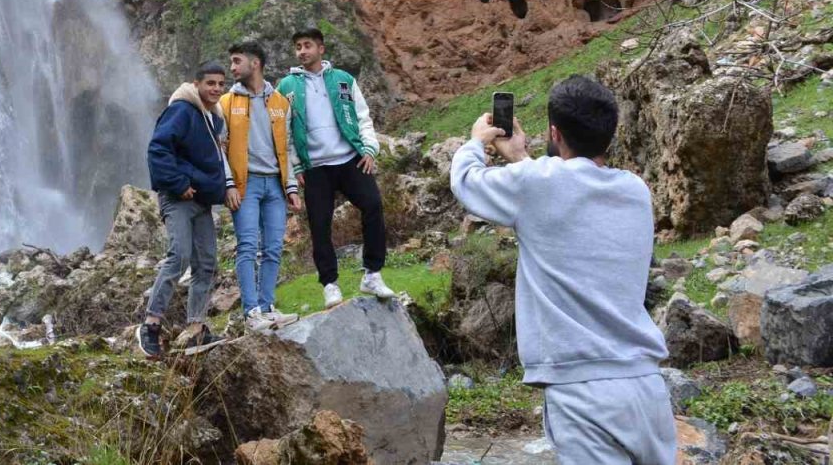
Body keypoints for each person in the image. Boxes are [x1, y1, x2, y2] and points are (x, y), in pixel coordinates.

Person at [450, 75, 675, 465]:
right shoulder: (636, 190)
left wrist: (477, 141)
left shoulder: (536, 184)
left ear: (555, 132)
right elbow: (565, 194)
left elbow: (466, 182)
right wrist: (522, 158)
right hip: (647, 387)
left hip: (583, 391)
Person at [277, 28, 394, 308]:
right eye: (298, 47)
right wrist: (295, 167)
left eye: (307, 45)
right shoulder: (287, 86)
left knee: (373, 205)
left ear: (321, 49)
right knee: (319, 225)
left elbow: (363, 117)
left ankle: (372, 274)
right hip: (315, 167)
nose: (302, 51)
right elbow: (284, 131)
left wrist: (369, 149)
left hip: (349, 159)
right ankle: (329, 284)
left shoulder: (343, 79)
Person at [136, 62, 230, 359]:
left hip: (201, 201)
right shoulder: (182, 110)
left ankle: (196, 328)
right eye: (210, 83)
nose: (215, 89)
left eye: (220, 84)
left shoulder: (212, 119)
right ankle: (150, 324)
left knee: (206, 262)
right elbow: (158, 149)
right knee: (179, 255)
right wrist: (178, 184)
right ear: (196, 84)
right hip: (178, 198)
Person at [221, 41, 302, 332]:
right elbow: (220, 148)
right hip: (246, 184)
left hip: (276, 187)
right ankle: (251, 312)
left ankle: (267, 307)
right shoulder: (226, 103)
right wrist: (228, 184)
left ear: (255, 64)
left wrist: (291, 187)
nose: (232, 67)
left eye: (236, 61)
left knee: (273, 248)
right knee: (247, 246)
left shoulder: (280, 102)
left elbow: (287, 146)